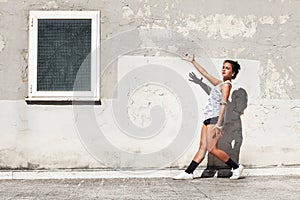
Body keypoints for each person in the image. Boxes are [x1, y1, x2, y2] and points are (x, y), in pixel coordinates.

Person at [173, 54, 243, 180]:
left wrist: (219, 124)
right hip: (208, 118)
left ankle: (236, 167)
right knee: (202, 147)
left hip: (215, 119)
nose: (223, 69)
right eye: (223, 67)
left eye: (227, 68)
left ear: (232, 73)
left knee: (212, 149)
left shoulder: (226, 85)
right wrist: (193, 61)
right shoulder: (220, 84)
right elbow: (206, 74)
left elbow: (223, 104)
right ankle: (188, 173)